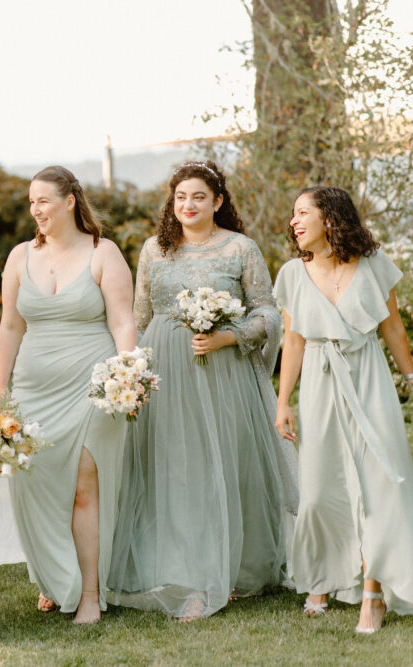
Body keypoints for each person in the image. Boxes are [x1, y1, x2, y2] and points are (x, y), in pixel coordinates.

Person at [107, 160, 293, 620]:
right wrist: (133, 372)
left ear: (218, 201)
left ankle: (230, 567)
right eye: (180, 198)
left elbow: (269, 313)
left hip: (222, 374)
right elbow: (141, 316)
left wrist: (229, 336)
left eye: (198, 197)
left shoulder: (240, 249)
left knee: (223, 464)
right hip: (166, 373)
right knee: (174, 469)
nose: (188, 205)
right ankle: (181, 570)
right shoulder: (154, 249)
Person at [0, 166, 137, 624]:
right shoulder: (20, 257)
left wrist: (128, 375)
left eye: (44, 201)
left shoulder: (103, 252)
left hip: (91, 387)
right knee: (35, 485)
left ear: (70, 201)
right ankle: (57, 580)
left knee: (82, 485)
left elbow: (122, 321)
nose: (36, 210)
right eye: (31, 202)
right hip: (34, 390)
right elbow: (10, 325)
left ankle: (91, 593)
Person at [274, 186, 413, 633]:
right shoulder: (294, 273)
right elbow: (292, 341)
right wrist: (283, 403)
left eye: (302, 213)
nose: (294, 222)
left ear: (330, 218)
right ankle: (325, 576)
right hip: (319, 381)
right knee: (319, 491)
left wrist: (411, 376)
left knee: (379, 486)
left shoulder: (372, 264)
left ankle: (373, 594)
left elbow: (392, 326)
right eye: (293, 215)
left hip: (368, 376)